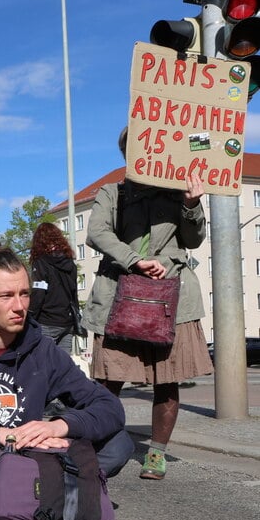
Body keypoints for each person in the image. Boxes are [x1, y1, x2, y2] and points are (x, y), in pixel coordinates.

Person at [0, 241, 133, 515]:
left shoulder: (43, 349)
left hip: (31, 463)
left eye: (25, 294)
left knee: (119, 442)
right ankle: (34, 493)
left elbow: (109, 408)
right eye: (6, 296)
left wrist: (59, 427)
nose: (19, 306)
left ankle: (19, 495)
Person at [81, 129, 213, 481]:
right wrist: (134, 260)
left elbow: (194, 240)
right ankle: (94, 442)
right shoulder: (113, 192)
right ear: (128, 153)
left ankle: (157, 453)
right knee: (108, 380)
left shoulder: (178, 191)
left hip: (172, 298)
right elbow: (97, 233)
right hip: (119, 295)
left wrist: (190, 204)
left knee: (167, 380)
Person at [29, 222, 79, 354]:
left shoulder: (40, 262)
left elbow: (38, 293)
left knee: (44, 365)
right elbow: (74, 293)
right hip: (67, 323)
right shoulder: (70, 263)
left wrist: (29, 317)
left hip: (47, 321)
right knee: (63, 367)